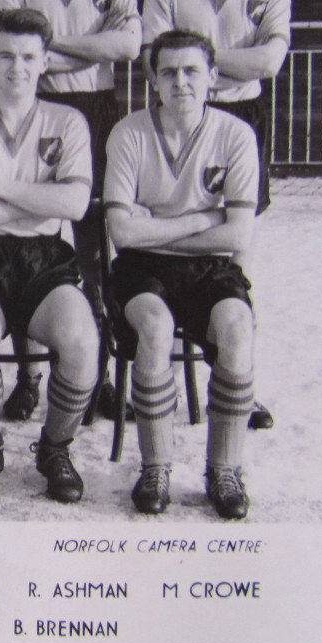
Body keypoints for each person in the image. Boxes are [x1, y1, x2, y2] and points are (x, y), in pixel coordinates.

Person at [0, 0, 141, 422]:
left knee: (94, 251)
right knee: (25, 239)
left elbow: (127, 44)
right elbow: (15, 45)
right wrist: (87, 48)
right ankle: (29, 378)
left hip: (98, 110)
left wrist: (50, 46)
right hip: (36, 108)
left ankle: (94, 375)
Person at [142, 0, 290, 430]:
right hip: (178, 121)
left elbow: (270, 63)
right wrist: (229, 62)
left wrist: (196, 64)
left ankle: (234, 380)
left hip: (242, 120)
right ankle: (156, 377)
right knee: (173, 232)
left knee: (236, 252)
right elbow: (156, 58)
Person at [0, 8, 99, 504]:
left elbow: (73, 205)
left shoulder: (68, 121)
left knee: (81, 341)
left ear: (45, 61)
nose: (17, 67)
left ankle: (54, 447)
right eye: (6, 55)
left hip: (45, 257)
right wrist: (34, 199)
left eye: (29, 57)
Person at [105, 30, 259, 519]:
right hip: (142, 269)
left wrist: (158, 226)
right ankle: (156, 466)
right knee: (155, 327)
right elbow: (123, 235)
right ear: (153, 78)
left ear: (213, 76)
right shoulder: (128, 132)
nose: (181, 82)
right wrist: (201, 219)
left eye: (192, 70)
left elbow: (238, 236)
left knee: (236, 327)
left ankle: (224, 468)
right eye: (168, 71)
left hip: (209, 269)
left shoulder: (236, 135)